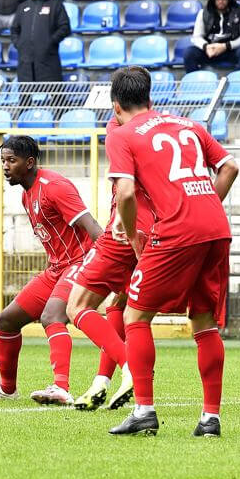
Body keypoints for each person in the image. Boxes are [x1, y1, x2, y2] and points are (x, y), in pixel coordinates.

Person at [105, 66, 239, 437]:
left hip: (176, 232)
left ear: (116, 106)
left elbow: (126, 193)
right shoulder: (189, 125)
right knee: (203, 319)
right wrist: (205, 207)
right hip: (215, 228)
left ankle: (144, 410)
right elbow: (229, 167)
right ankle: (210, 418)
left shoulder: (122, 134)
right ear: (151, 99)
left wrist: (133, 236)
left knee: (134, 317)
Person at [0, 135, 102, 405]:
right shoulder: (26, 195)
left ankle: (61, 387)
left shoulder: (55, 187)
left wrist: (111, 262)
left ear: (29, 162)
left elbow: (92, 227)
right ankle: (7, 389)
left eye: (11, 160)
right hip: (56, 269)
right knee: (7, 320)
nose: (5, 166)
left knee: (52, 315)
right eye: (3, 161)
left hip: (80, 263)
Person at [65, 115, 157, 412]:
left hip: (124, 232)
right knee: (120, 306)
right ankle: (101, 382)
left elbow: (125, 187)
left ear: (117, 106)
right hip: (157, 231)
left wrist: (119, 217)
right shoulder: (163, 126)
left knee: (76, 306)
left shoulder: (117, 129)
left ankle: (131, 367)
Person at [11, 0, 71, 84]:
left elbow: (65, 27)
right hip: (25, 61)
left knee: (57, 97)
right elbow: (14, 29)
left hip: (48, 59)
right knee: (25, 97)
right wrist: (19, 44)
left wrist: (50, 41)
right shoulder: (23, 7)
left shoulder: (55, 4)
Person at [184, 0, 240, 73]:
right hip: (211, 50)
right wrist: (206, 47)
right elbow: (196, 36)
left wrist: (225, 46)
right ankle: (194, 82)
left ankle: (238, 83)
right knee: (189, 53)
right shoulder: (203, 13)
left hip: (231, 50)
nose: (221, 1)